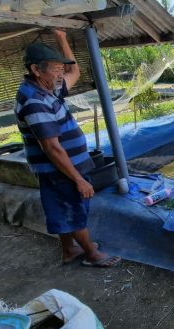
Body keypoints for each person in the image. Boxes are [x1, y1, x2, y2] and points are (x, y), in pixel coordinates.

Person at [15, 29, 121, 267]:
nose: (61, 74)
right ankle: (91, 255)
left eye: (60, 69)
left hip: (65, 167)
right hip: (61, 170)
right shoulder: (34, 101)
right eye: (55, 69)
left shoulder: (48, 90)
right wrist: (79, 180)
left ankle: (69, 250)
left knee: (63, 208)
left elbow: (74, 70)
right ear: (36, 69)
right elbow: (51, 147)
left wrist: (62, 39)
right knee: (73, 209)